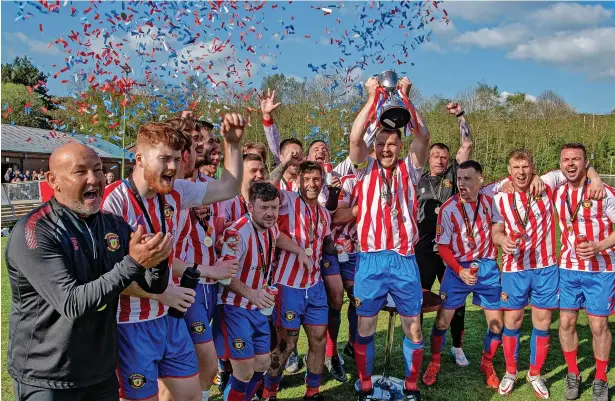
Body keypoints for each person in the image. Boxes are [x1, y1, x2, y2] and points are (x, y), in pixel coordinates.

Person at [5, 142, 172, 401]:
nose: (94, 179)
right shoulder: (36, 231)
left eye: (98, 169)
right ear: (53, 180)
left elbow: (153, 286)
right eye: (80, 172)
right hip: (47, 377)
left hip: (100, 371)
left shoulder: (113, 224)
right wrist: (134, 263)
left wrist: (158, 259)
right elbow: (71, 303)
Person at [102, 114, 246, 401]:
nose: (173, 167)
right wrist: (162, 294)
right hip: (129, 324)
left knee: (191, 395)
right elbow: (108, 278)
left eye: (176, 159)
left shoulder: (177, 192)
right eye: (164, 159)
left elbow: (228, 188)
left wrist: (232, 144)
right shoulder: (114, 202)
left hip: (168, 319)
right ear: (140, 158)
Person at [491, 148, 605, 398]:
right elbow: (496, 229)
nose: (521, 172)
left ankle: (534, 372)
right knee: (513, 322)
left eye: (525, 167)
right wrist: (501, 240)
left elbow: (579, 168)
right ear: (509, 171)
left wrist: (595, 178)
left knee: (542, 323)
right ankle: (510, 371)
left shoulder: (548, 185)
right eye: (516, 168)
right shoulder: (499, 196)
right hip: (514, 268)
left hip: (545, 268)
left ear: (533, 169)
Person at [349, 76, 430, 401]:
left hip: (404, 262)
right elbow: (356, 138)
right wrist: (373, 98)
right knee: (365, 328)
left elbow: (423, 135)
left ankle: (411, 387)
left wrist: (406, 98)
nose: (385, 148)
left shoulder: (410, 169)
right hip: (370, 261)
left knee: (413, 327)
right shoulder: (363, 167)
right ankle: (366, 386)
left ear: (400, 145)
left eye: (392, 143)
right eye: (380, 143)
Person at [214, 181, 310, 401]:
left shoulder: (270, 227)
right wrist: (252, 294)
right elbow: (225, 275)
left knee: (263, 363)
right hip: (235, 307)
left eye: (274, 208)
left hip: (258, 306)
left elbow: (279, 237)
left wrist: (299, 251)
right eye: (264, 207)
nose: (270, 213)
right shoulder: (236, 234)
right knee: (245, 370)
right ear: (250, 207)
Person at [423, 160, 508, 391]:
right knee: (442, 321)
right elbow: (442, 247)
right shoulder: (448, 208)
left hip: (487, 269)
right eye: (459, 179)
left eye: (467, 179)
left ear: (480, 180)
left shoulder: (491, 204)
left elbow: (498, 230)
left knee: (496, 325)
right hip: (456, 268)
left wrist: (503, 240)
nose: (461, 184)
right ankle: (435, 361)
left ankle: (487, 363)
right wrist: (459, 270)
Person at [262, 161, 338, 401]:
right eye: (306, 179)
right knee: (286, 346)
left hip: (314, 287)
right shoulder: (287, 201)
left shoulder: (324, 213)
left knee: (318, 337)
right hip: (288, 286)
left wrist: (341, 251)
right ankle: (268, 393)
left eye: (316, 179)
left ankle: (312, 391)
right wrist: (285, 163)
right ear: (298, 181)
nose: (311, 184)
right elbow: (267, 188)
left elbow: (326, 246)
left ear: (322, 181)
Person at [552, 143, 615, 401]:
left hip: (601, 270)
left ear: (585, 163)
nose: (571, 164)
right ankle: (573, 373)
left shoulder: (604, 192)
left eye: (576, 159)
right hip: (568, 269)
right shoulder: (555, 192)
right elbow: (524, 178)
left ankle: (600, 378)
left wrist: (599, 246)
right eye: (566, 159)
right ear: (560, 164)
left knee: (598, 324)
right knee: (566, 322)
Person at [415, 102, 472, 367]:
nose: (440, 159)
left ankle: (457, 347)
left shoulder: (453, 175)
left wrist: (460, 116)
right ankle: (416, 342)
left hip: (450, 251)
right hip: (424, 251)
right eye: (436, 155)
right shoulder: (418, 180)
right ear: (429, 158)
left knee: (455, 302)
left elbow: (467, 146)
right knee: (419, 299)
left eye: (444, 156)